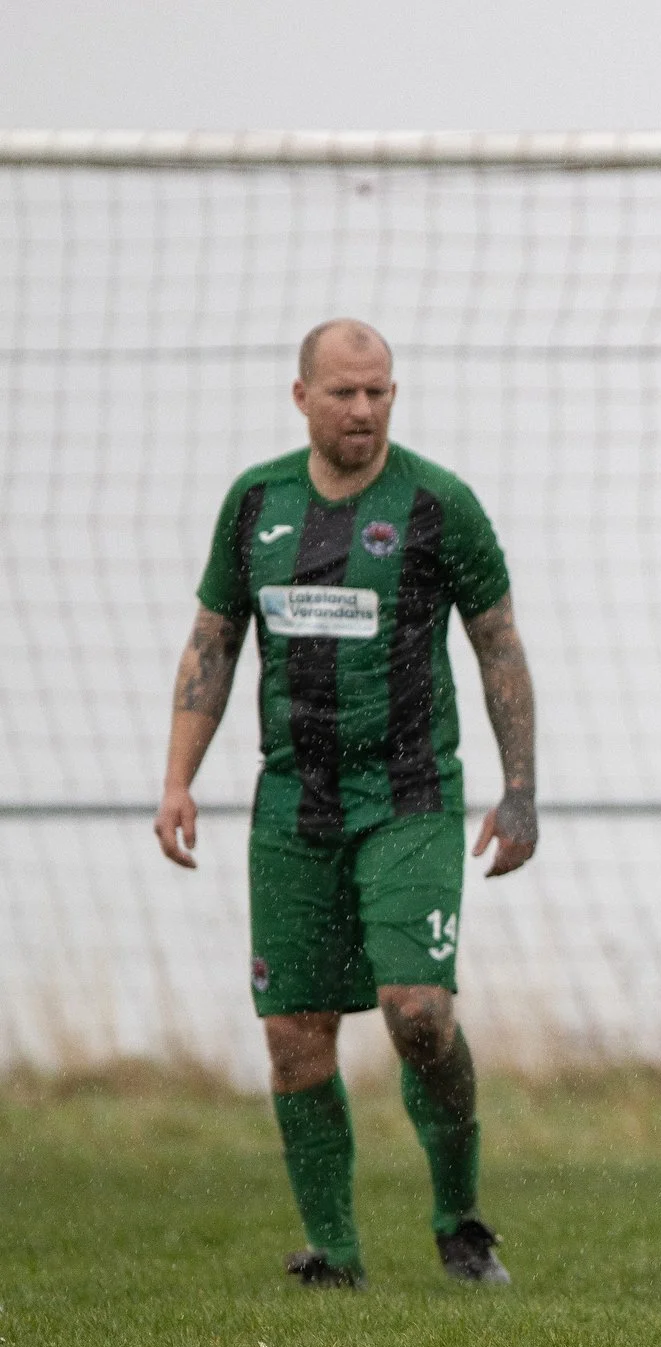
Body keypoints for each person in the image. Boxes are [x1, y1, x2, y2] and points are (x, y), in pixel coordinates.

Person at [153, 319, 538, 1289]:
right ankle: (335, 1253)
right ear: (302, 397)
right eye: (344, 393)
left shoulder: (439, 505)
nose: (364, 409)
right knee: (294, 1032)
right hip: (294, 800)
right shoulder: (257, 503)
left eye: (379, 392)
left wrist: (521, 790)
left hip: (410, 793)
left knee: (418, 1012)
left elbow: (498, 645)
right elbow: (213, 641)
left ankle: (459, 1219)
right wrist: (176, 780)